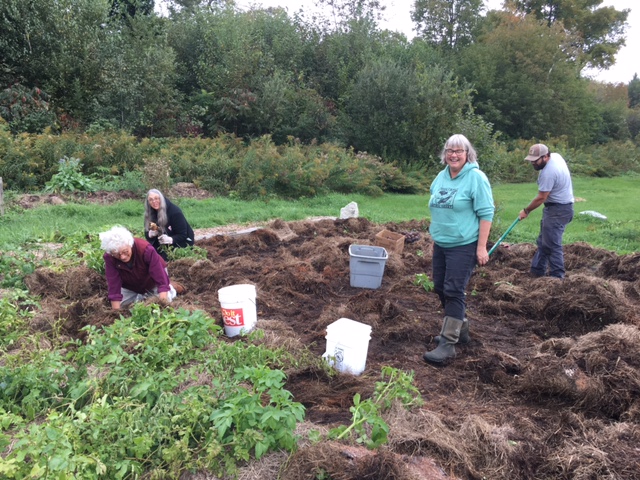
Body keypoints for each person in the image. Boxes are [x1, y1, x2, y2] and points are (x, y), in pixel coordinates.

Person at [423, 134, 495, 364]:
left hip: (464, 245)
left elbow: (486, 213)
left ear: (467, 154)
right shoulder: (441, 176)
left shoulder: (475, 178)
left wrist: (481, 247)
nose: (454, 155)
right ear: (445, 154)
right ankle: (460, 330)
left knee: (454, 290)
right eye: (450, 151)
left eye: (459, 151)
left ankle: (448, 344)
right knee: (440, 287)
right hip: (442, 243)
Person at [518, 144, 574, 278]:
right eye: (531, 159)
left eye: (535, 160)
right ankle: (536, 271)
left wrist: (526, 210)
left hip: (558, 210)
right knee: (544, 241)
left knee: (552, 245)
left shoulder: (548, 173)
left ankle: (557, 277)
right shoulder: (556, 156)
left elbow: (541, 197)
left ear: (545, 156)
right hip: (561, 208)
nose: (533, 163)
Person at [100, 225, 177, 310]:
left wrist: (162, 304)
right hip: (130, 285)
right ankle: (142, 296)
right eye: (117, 254)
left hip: (152, 280)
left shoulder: (146, 250)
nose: (123, 257)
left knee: (163, 301)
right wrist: (116, 314)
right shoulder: (110, 257)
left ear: (130, 244)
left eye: (125, 252)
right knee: (123, 306)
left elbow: (160, 278)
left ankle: (170, 288)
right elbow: (113, 284)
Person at [144, 189, 195, 261]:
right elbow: (146, 233)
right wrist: (150, 234)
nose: (154, 202)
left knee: (164, 259)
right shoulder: (150, 213)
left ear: (161, 198)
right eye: (151, 200)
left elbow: (183, 235)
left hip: (181, 243)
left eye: (156, 198)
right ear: (148, 202)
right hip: (161, 243)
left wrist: (170, 239)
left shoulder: (175, 212)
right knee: (147, 255)